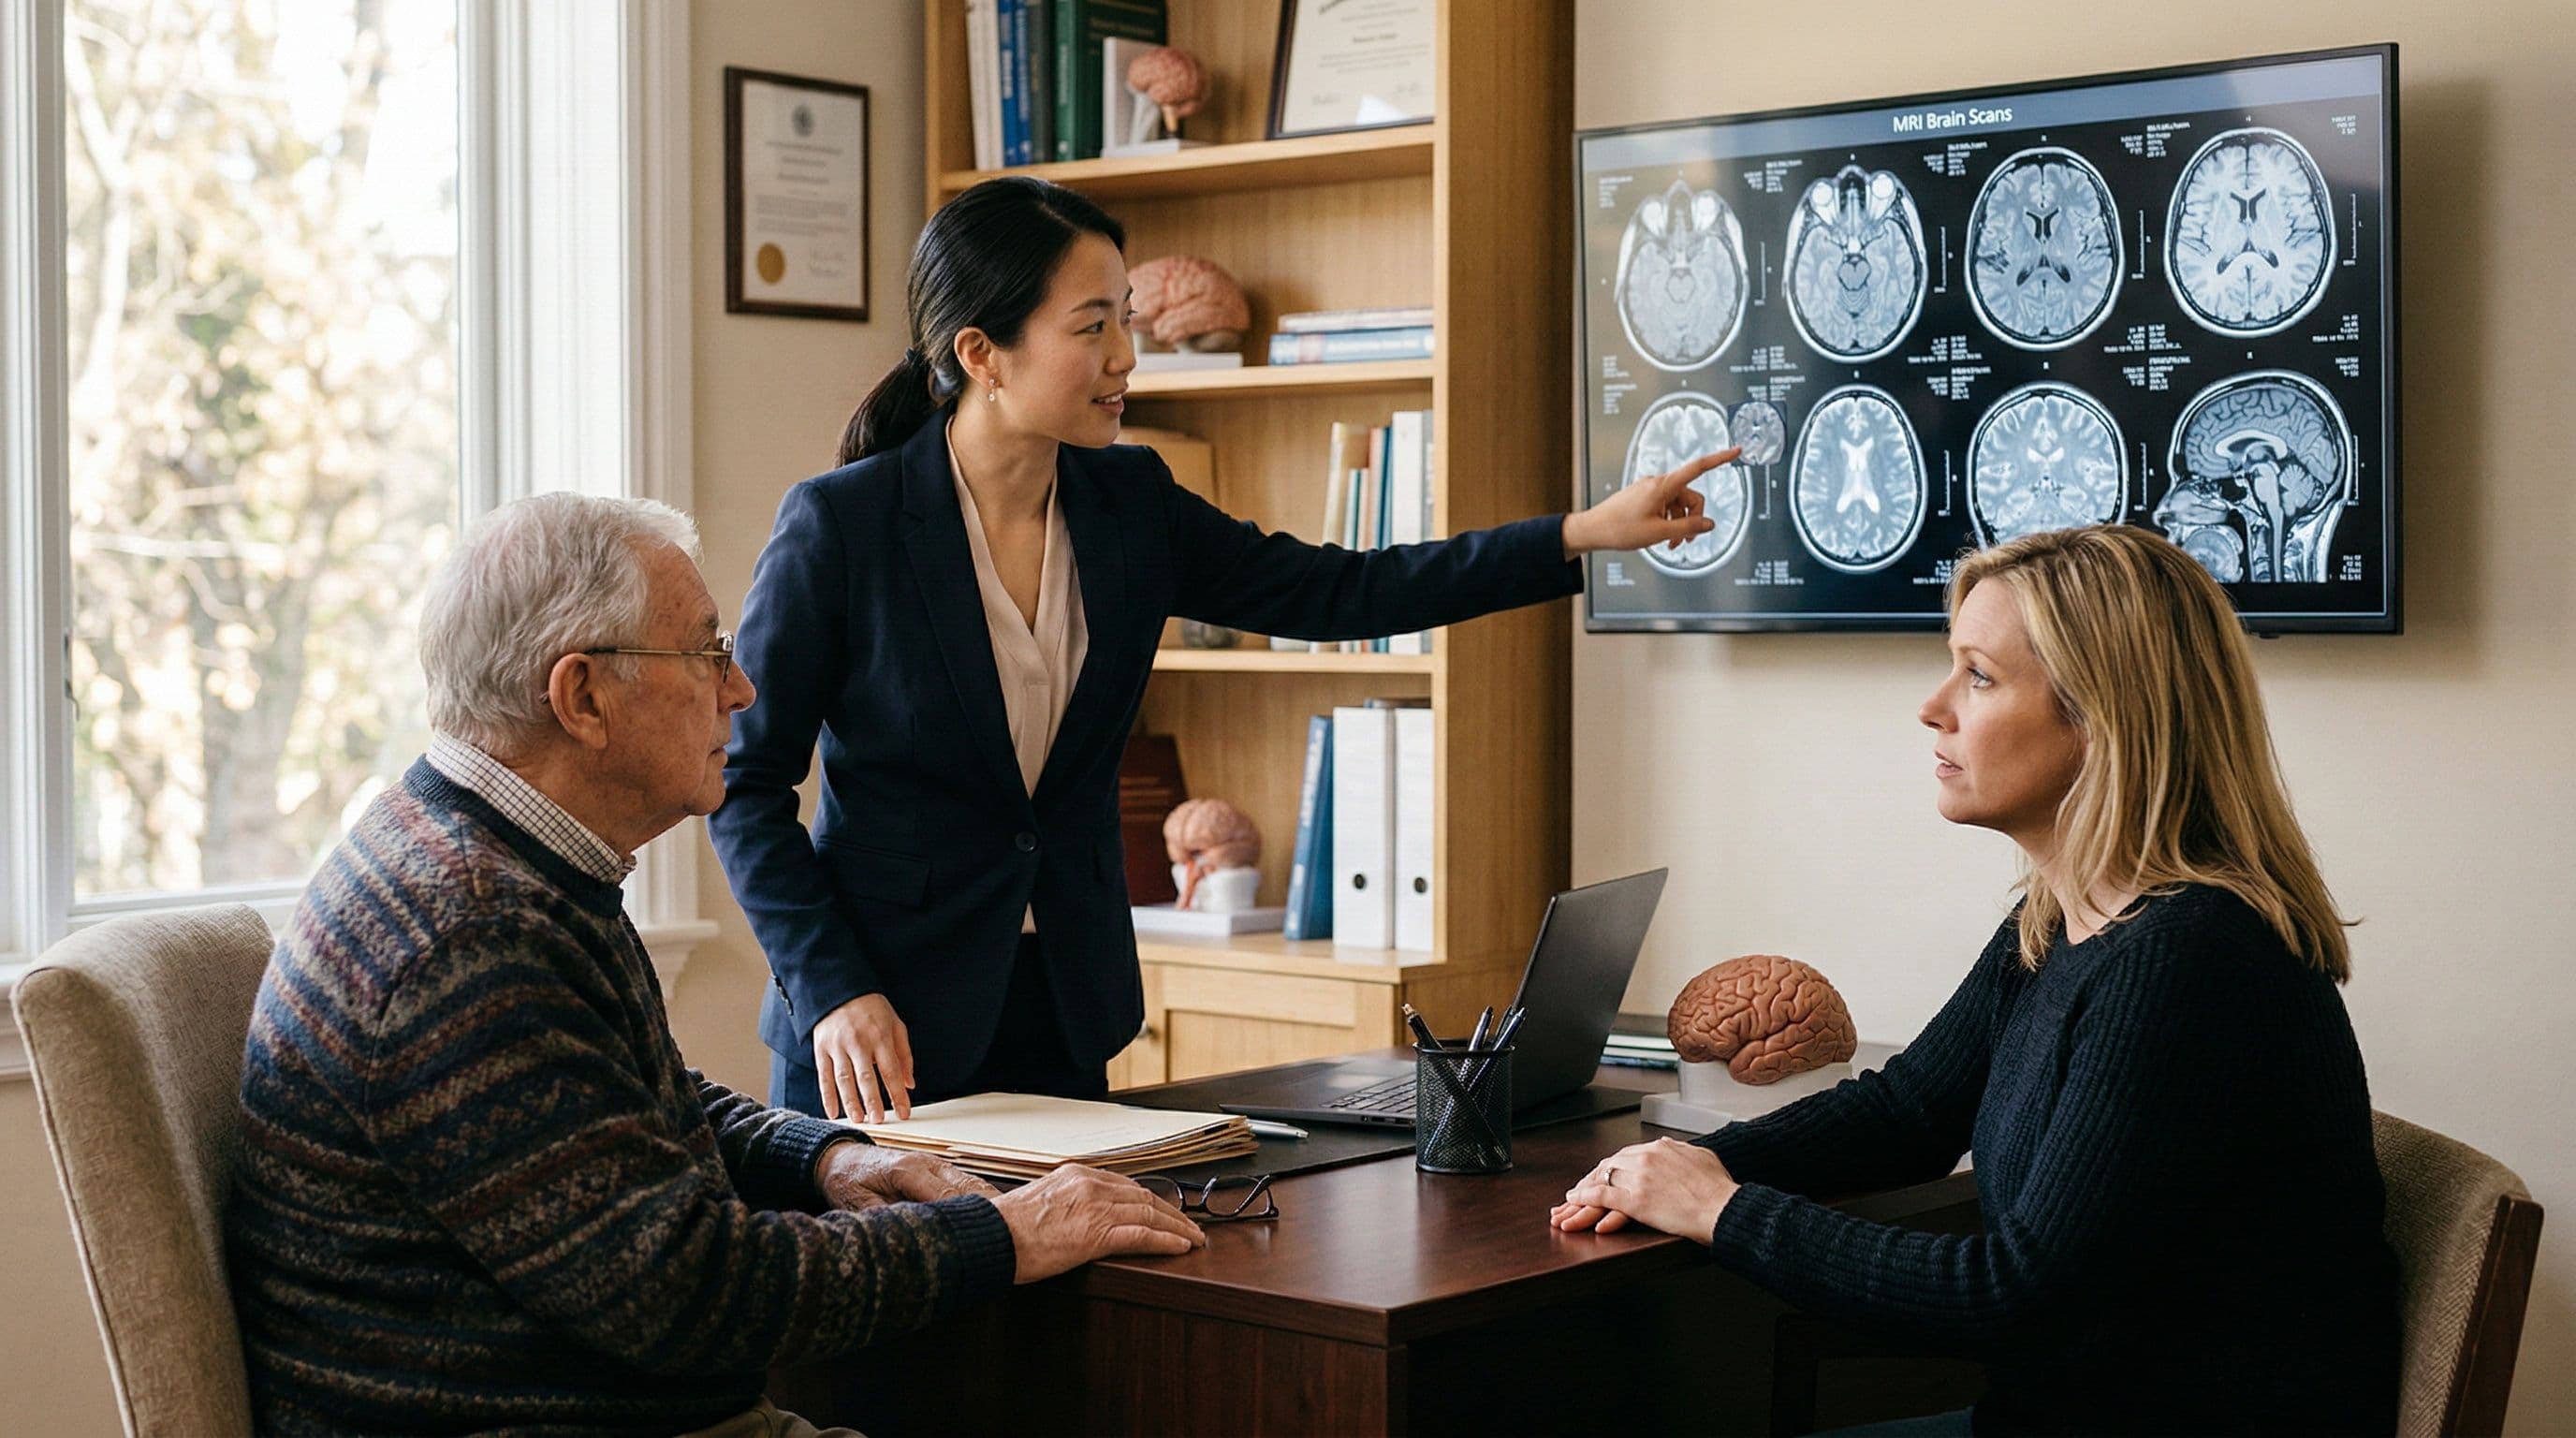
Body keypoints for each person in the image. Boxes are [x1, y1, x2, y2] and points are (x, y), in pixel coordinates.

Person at [710, 176, 1731, 1123]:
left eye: (1127, 318)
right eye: (1092, 325)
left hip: (1061, 1009)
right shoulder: (843, 527)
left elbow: (1341, 589)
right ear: (982, 352)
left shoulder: (1129, 503)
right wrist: (833, 988)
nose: (1126, 355)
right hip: (874, 1034)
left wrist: (1573, 536)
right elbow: (744, 785)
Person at [227, 492, 1205, 1438]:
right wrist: (1003, 1235)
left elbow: (631, 1106)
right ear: (582, 697)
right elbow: (686, 1289)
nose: (741, 689)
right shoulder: (471, 935)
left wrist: (829, 1157)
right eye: (706, 652)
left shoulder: (486, 859)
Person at [1553, 524, 2401, 1437]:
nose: (1932, 707)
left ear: (2101, 718)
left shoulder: (2186, 964)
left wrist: (1719, 1208)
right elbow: (1909, 1112)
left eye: (1978, 676)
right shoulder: (2060, 916)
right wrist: (1682, 1171)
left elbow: (2014, 1296)